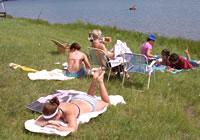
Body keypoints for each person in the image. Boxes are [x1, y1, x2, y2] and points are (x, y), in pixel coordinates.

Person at [35, 70, 110, 133]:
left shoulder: (69, 113)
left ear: (57, 114)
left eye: (52, 119)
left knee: (106, 102)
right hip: (77, 98)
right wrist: (49, 122)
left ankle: (100, 81)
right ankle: (94, 80)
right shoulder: (52, 108)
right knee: (89, 96)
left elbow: (72, 129)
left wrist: (56, 127)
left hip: (89, 103)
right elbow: (37, 122)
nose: (51, 120)